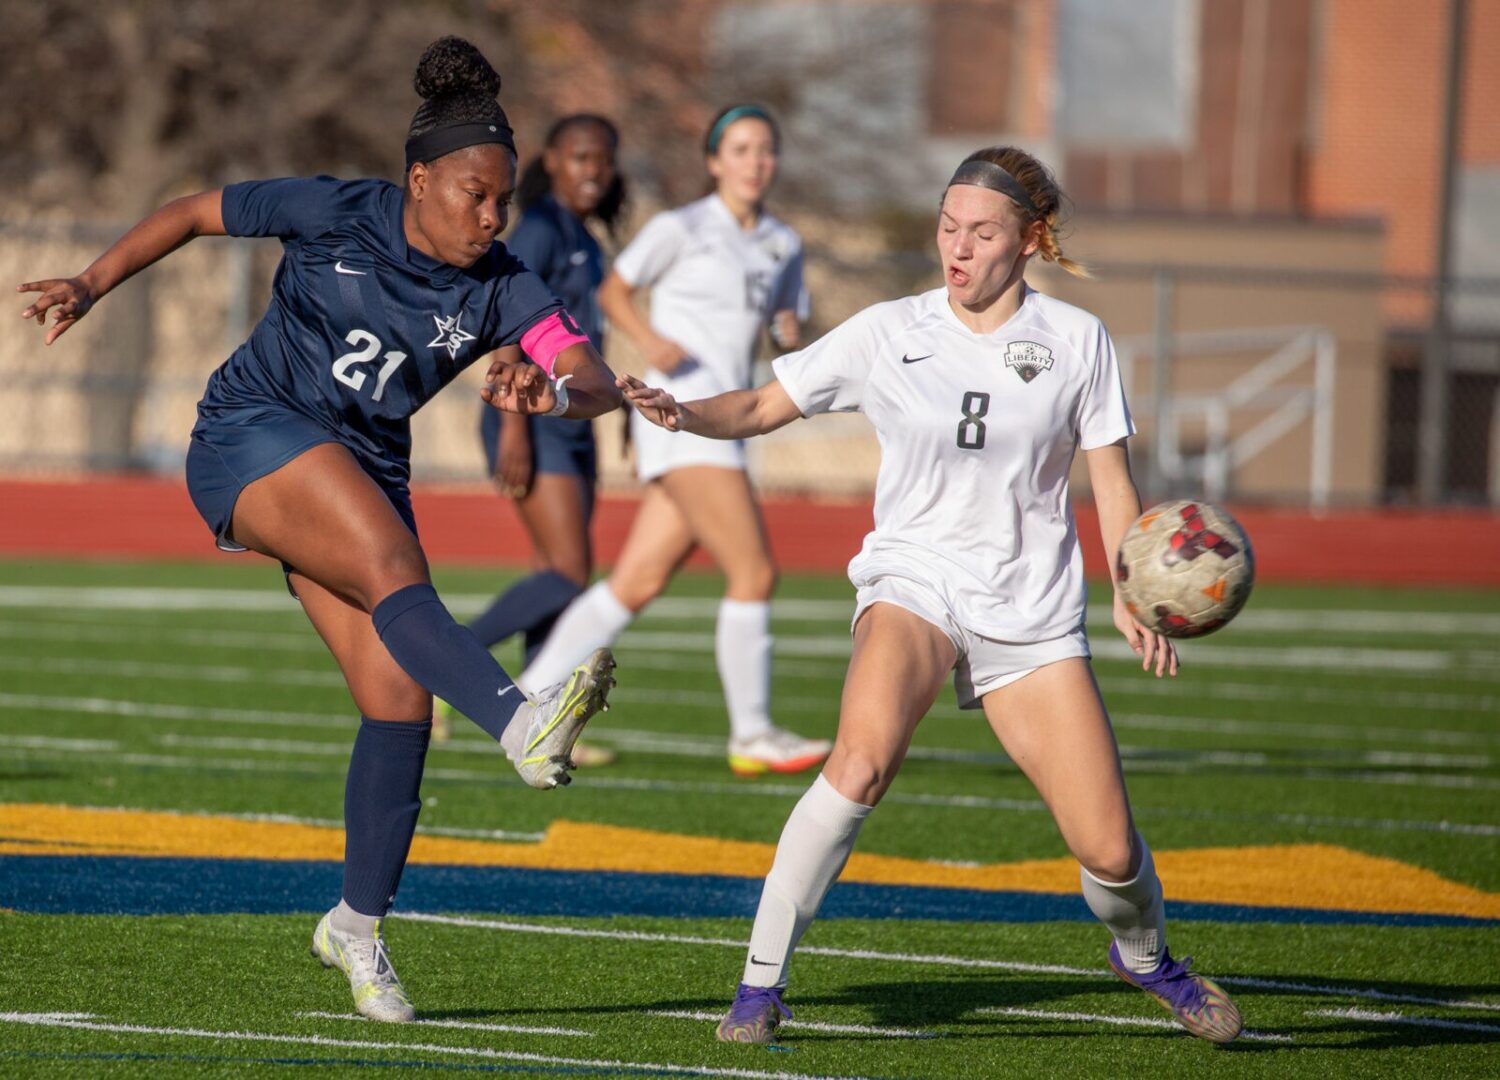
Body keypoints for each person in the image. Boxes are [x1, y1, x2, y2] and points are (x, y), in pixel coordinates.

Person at [17, 37, 621, 1025]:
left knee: (400, 706)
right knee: (392, 566)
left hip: (364, 471)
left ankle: (354, 924)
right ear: (418, 180)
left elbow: (588, 370)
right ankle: (521, 722)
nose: (491, 215)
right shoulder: (333, 208)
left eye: (504, 199)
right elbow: (191, 213)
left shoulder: (505, 282)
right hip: (249, 435)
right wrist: (91, 280)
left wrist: (556, 392)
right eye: (473, 193)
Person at [622, 146, 1246, 1046]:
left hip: (1028, 610)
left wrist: (1128, 587)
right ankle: (760, 986)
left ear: (1030, 239)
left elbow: (1110, 479)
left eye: (982, 232)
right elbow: (762, 406)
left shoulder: (1078, 341)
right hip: (913, 580)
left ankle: (1144, 956)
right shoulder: (889, 330)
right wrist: (683, 411)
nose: (957, 248)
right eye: (948, 227)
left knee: (1109, 850)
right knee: (860, 761)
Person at [519, 104, 831, 778]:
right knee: (755, 572)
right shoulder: (680, 227)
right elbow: (613, 290)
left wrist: (787, 332)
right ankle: (751, 733)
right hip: (677, 420)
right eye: (741, 150)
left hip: (726, 422)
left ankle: (524, 699)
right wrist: (652, 340)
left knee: (635, 582)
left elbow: (786, 326)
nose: (755, 162)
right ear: (714, 161)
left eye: (765, 151)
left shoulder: (783, 241)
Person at [433, 115, 625, 766]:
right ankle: (446, 668)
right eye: (580, 157)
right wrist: (513, 423)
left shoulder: (584, 235)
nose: (592, 170)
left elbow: (581, 339)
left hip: (570, 417)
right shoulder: (540, 226)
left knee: (564, 578)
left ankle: (540, 710)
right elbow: (510, 323)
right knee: (569, 570)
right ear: (554, 160)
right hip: (532, 417)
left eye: (602, 159)